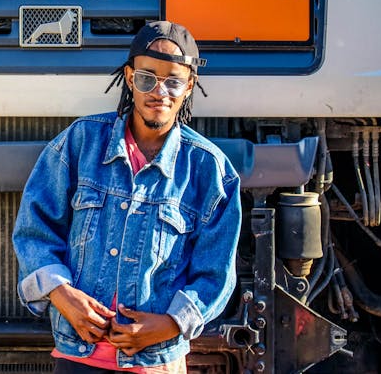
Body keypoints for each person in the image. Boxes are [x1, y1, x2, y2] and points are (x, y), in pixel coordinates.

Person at [12, 21, 242, 373]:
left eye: (173, 81)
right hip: (78, 357)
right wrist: (62, 295)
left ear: (189, 86)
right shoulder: (80, 143)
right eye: (147, 78)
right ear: (130, 78)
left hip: (158, 363)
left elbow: (216, 275)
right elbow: (34, 230)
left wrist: (168, 325)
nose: (159, 91)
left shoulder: (210, 172)